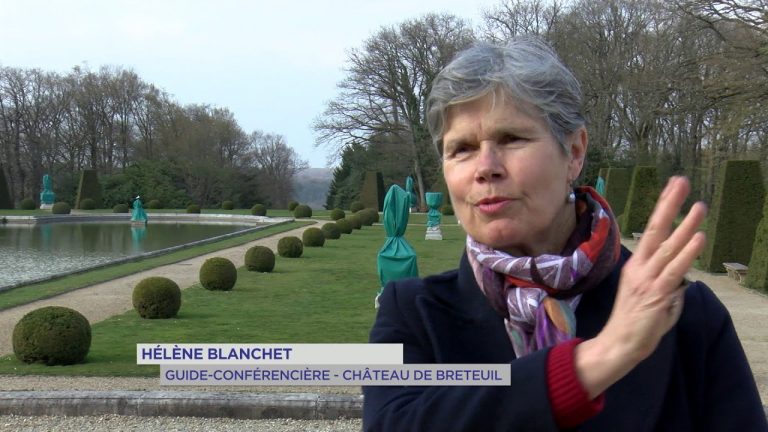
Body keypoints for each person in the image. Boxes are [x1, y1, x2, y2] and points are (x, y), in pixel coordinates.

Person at [362, 37, 766, 431]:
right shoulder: (411, 312)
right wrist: (599, 359)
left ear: (573, 152)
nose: (485, 167)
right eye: (462, 148)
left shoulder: (683, 313)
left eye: (511, 138)